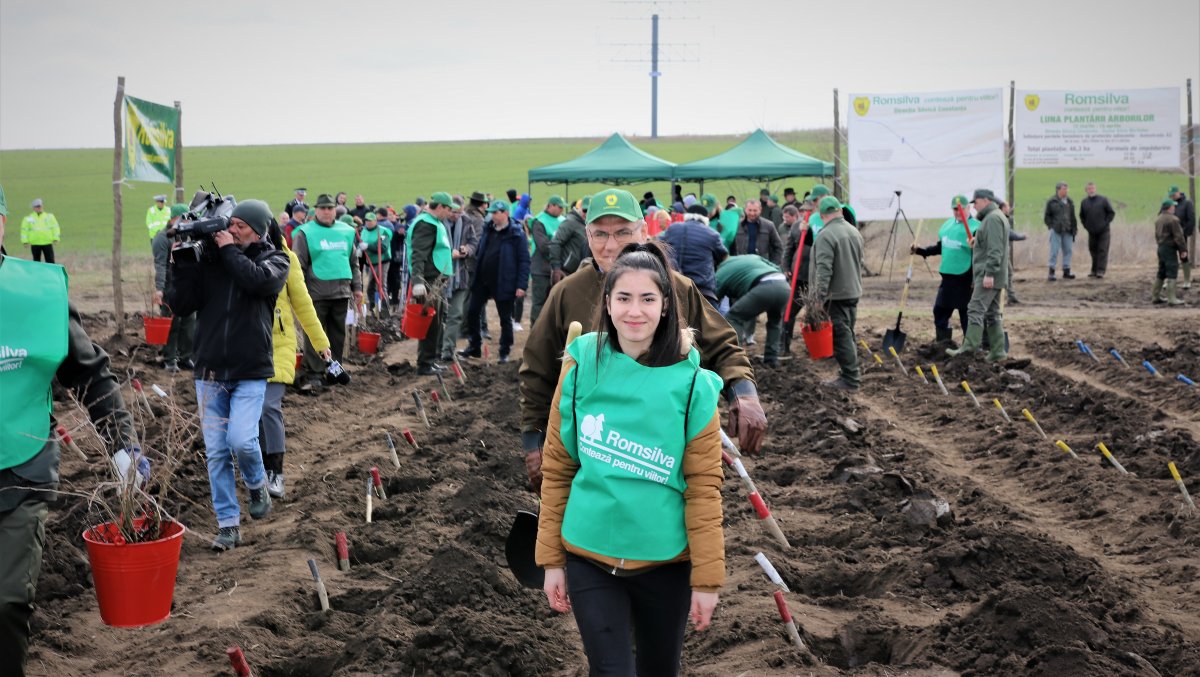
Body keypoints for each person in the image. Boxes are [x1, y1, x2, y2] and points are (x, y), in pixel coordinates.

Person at [536, 241, 725, 676]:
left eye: (647, 299)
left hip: (665, 563)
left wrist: (707, 579)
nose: (634, 311)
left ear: (665, 307)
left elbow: (703, 488)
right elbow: (559, 468)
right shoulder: (581, 365)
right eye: (623, 298)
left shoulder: (694, 386)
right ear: (607, 303)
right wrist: (550, 562)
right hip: (590, 555)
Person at [520, 188, 765, 494]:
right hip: (592, 450)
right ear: (587, 235)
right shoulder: (566, 295)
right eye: (600, 234)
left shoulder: (674, 288)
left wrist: (744, 393)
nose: (611, 246)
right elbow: (538, 373)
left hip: (662, 449)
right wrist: (534, 440)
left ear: (644, 231)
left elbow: (723, 346)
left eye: (623, 232)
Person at [0, 213, 143, 673]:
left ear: (2, 222)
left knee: (6, 601)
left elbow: (89, 373)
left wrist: (122, 444)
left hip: (20, 469)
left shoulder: (38, 294)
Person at [166, 199, 290, 551]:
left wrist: (228, 250)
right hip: (209, 370)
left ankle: (256, 483)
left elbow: (256, 282)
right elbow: (182, 304)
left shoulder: (275, 260)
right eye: (228, 224)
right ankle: (228, 525)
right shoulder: (214, 258)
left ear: (258, 230)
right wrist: (180, 265)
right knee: (217, 453)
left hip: (250, 371)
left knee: (242, 440)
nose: (230, 230)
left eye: (238, 225)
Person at [260, 222, 331, 499]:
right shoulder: (239, 259)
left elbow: (303, 304)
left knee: (268, 406)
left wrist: (320, 343)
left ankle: (276, 472)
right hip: (248, 349)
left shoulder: (287, 259)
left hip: (279, 346)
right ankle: (261, 471)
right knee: (252, 417)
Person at [292, 194, 361, 390]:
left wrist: (357, 287)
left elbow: (353, 263)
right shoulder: (305, 233)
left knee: (338, 336)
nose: (326, 212)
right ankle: (314, 373)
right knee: (315, 335)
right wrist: (299, 293)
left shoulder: (346, 232)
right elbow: (299, 266)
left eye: (330, 208)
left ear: (334, 210)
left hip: (341, 293)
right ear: (316, 211)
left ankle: (334, 370)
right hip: (316, 294)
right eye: (322, 208)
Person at [459, 200, 529, 363]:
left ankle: (504, 351)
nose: (492, 216)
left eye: (495, 213)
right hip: (483, 280)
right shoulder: (488, 229)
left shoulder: (516, 234)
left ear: (505, 213)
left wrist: (521, 285)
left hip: (504, 281)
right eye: (490, 212)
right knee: (472, 312)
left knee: (505, 318)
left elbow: (524, 261)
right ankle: (474, 346)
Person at [809, 196, 865, 390]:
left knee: (841, 337)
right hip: (853, 291)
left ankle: (851, 379)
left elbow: (824, 269)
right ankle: (848, 372)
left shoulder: (826, 235)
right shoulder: (854, 231)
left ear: (822, 215)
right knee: (848, 333)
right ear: (840, 211)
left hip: (836, 295)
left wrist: (818, 298)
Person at [947, 189, 1010, 361]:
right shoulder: (995, 217)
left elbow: (996, 250)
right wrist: (978, 243)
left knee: (975, 308)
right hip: (995, 274)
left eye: (976, 202)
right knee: (992, 313)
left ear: (986, 200)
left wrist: (989, 273)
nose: (974, 206)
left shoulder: (993, 219)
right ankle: (998, 352)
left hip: (989, 274)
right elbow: (991, 244)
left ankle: (969, 348)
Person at [911, 196, 979, 345]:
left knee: (966, 315)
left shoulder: (977, 228)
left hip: (966, 278)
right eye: (955, 209)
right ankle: (943, 345)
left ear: (969, 208)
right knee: (940, 311)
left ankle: (970, 348)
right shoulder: (947, 226)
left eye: (961, 209)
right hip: (948, 278)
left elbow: (984, 253)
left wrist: (977, 246)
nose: (958, 212)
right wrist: (922, 251)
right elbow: (942, 246)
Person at [408, 191, 456, 375]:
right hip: (429, 282)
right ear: (441, 207)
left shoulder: (435, 223)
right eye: (449, 209)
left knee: (437, 323)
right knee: (430, 323)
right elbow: (418, 254)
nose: (450, 213)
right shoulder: (425, 224)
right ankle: (425, 364)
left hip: (436, 281)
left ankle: (430, 360)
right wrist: (418, 281)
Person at [717, 254, 789, 367]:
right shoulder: (751, 257)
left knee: (733, 317)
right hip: (783, 286)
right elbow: (777, 268)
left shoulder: (722, 271)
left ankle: (735, 359)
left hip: (764, 288)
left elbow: (713, 298)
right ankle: (771, 360)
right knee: (774, 323)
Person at [152, 203, 197, 372]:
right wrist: (159, 289)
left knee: (189, 323)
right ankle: (170, 359)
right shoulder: (162, 239)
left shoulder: (187, 236)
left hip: (187, 287)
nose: (188, 221)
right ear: (175, 219)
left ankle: (186, 357)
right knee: (171, 324)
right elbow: (160, 266)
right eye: (184, 218)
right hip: (170, 288)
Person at [660, 203, 728, 306]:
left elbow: (658, 246)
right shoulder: (712, 234)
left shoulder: (672, 229)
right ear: (706, 218)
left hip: (675, 286)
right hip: (703, 291)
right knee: (713, 320)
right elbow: (723, 257)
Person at [440, 198, 479, 361]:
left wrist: (466, 250)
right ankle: (437, 349)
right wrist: (448, 253)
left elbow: (473, 242)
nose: (456, 215)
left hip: (461, 275)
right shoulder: (439, 224)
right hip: (442, 277)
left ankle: (448, 350)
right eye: (453, 212)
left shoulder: (467, 223)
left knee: (456, 314)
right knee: (441, 315)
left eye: (459, 212)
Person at [780, 202, 814, 355]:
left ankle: (815, 346)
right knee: (788, 312)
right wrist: (786, 267)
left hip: (816, 278)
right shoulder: (796, 227)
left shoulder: (821, 227)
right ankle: (784, 346)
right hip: (797, 277)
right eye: (805, 210)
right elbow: (788, 249)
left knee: (816, 314)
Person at [529, 196, 566, 326]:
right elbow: (543, 246)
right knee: (539, 302)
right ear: (550, 206)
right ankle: (536, 330)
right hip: (541, 268)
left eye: (563, 208)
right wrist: (559, 247)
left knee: (556, 303)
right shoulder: (539, 221)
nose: (562, 210)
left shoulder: (563, 221)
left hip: (560, 268)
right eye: (559, 207)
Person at [1152, 198, 1188, 306]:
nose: (1174, 208)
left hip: (1161, 247)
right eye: (1173, 206)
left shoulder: (1158, 219)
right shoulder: (1173, 220)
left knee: (1161, 271)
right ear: (1169, 207)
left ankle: (1155, 296)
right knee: (1172, 270)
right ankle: (1172, 298)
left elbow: (1157, 236)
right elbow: (1179, 237)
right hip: (1169, 249)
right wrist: (1183, 250)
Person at [548, 195, 590, 285]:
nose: (587, 213)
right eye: (585, 210)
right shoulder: (570, 222)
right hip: (566, 272)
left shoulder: (590, 225)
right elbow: (555, 243)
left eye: (590, 211)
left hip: (581, 273)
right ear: (579, 208)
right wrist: (556, 268)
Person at [1079, 182, 1115, 279]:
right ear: (1086, 190)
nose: (1091, 190)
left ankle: (1100, 271)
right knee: (1093, 250)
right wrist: (1086, 226)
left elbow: (1111, 213)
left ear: (1095, 189)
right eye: (1089, 188)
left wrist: (1105, 223)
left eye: (1093, 188)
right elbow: (1082, 216)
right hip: (1091, 231)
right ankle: (1093, 270)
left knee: (1102, 250)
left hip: (1104, 231)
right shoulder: (1084, 202)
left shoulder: (1103, 200)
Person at [358, 210, 392, 310]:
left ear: (375, 221)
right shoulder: (363, 231)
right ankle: (373, 306)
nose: (368, 222)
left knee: (380, 285)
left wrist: (368, 246)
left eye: (370, 220)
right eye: (366, 220)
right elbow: (359, 242)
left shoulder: (382, 231)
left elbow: (383, 247)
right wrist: (359, 249)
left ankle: (384, 308)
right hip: (369, 262)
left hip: (382, 261)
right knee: (369, 286)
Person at [731, 199, 782, 265]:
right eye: (750, 210)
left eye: (755, 210)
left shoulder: (769, 225)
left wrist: (773, 264)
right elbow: (731, 248)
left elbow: (778, 247)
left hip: (763, 266)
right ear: (745, 210)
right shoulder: (736, 226)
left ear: (760, 210)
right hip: (742, 266)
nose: (752, 213)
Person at [1043, 181, 1077, 281]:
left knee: (1068, 251)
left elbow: (1072, 216)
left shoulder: (1070, 201)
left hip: (1068, 229)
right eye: (1064, 189)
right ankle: (1051, 272)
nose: (1066, 191)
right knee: (1054, 251)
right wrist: (1051, 227)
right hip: (1056, 230)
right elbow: (1047, 216)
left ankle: (1066, 271)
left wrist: (1074, 228)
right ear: (1058, 190)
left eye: (1067, 189)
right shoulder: (1052, 201)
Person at [1168, 185, 1195, 288]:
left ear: (1179, 193)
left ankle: (1187, 280)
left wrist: (1185, 233)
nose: (1172, 197)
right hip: (1169, 236)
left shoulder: (1187, 204)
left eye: (1174, 195)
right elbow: (1161, 215)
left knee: (1183, 256)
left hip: (1181, 235)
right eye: (1171, 195)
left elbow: (1191, 219)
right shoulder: (1168, 203)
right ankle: (1170, 280)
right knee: (1169, 258)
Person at [20, 199, 59, 263]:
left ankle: (50, 273)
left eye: (40, 206)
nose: (39, 208)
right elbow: (24, 230)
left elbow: (55, 228)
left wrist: (56, 238)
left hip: (47, 242)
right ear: (33, 208)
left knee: (50, 261)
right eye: (37, 206)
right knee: (36, 262)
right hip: (35, 243)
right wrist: (25, 241)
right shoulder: (28, 218)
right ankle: (37, 273)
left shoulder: (49, 217)